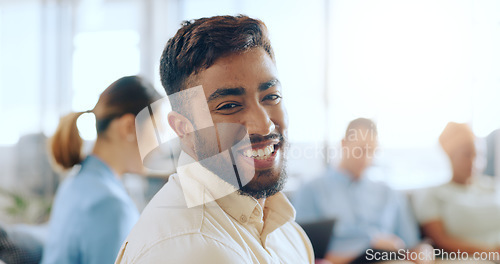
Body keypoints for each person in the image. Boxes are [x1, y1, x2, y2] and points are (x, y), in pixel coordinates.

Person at [115, 15, 314, 263]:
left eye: (271, 97)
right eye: (229, 105)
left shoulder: (288, 234)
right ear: (183, 128)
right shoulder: (188, 250)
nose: (264, 125)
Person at [41, 76, 162, 264]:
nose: (159, 146)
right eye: (156, 131)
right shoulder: (111, 205)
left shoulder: (76, 181)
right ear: (129, 127)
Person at [293, 118, 423, 264]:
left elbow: (411, 244)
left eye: (372, 151)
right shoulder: (311, 190)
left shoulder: (388, 193)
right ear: (344, 144)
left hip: (389, 258)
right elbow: (302, 249)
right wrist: (371, 242)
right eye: (360, 150)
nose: (366, 159)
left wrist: (422, 251)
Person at [413, 122, 500, 256]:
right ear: (451, 155)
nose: (474, 162)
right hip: (477, 256)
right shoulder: (432, 194)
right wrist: (491, 252)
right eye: (466, 155)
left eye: (479, 155)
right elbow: (440, 241)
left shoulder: (494, 186)